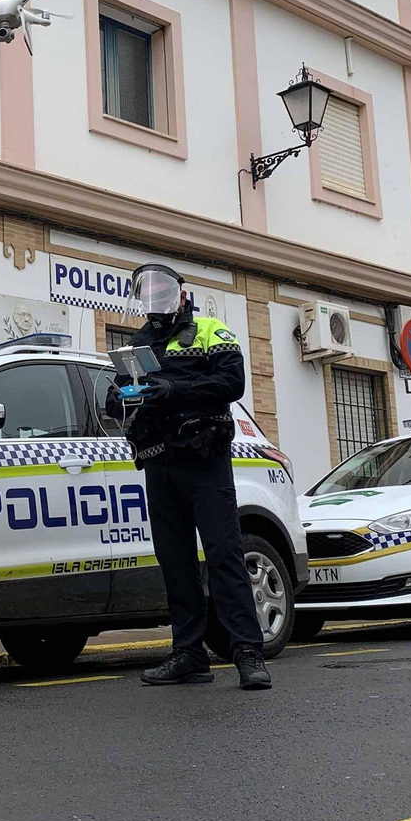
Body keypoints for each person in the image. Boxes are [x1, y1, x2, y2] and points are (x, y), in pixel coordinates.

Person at [107, 263, 273, 690]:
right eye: (148, 295)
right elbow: (120, 393)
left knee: (223, 554)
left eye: (162, 293)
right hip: (159, 462)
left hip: (204, 459)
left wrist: (174, 390)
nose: (155, 301)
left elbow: (232, 382)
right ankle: (189, 654)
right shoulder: (138, 343)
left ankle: (248, 652)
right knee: (175, 561)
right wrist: (118, 395)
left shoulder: (210, 331)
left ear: (181, 296)